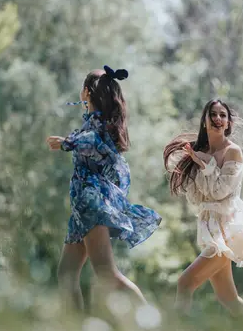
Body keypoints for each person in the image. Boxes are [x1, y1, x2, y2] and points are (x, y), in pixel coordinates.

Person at [46, 66, 162, 312]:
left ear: (87, 92)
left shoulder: (99, 125)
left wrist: (68, 142)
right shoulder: (94, 121)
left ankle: (150, 324)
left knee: (107, 274)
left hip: (91, 205)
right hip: (81, 209)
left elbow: (95, 143)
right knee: (66, 274)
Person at [163, 99, 243, 322]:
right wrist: (195, 162)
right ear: (204, 121)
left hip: (227, 229)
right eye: (213, 115)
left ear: (228, 123)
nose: (218, 119)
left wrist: (204, 163)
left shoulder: (232, 152)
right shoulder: (199, 152)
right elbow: (197, 197)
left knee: (185, 283)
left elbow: (218, 192)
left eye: (222, 115)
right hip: (210, 226)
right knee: (228, 298)